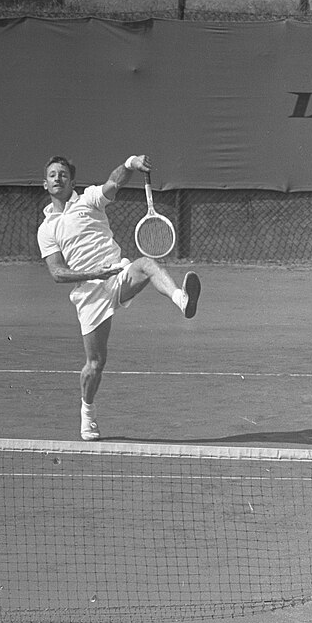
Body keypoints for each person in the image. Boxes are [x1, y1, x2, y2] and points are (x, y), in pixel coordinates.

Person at [37, 154, 201, 441]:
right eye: (52, 174)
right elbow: (57, 273)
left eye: (63, 174)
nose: (58, 178)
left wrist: (129, 164)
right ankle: (87, 414)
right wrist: (92, 273)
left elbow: (114, 182)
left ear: (71, 181)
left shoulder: (88, 200)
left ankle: (182, 299)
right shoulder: (46, 229)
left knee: (147, 264)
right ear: (45, 183)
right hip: (88, 294)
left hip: (117, 273)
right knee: (95, 363)